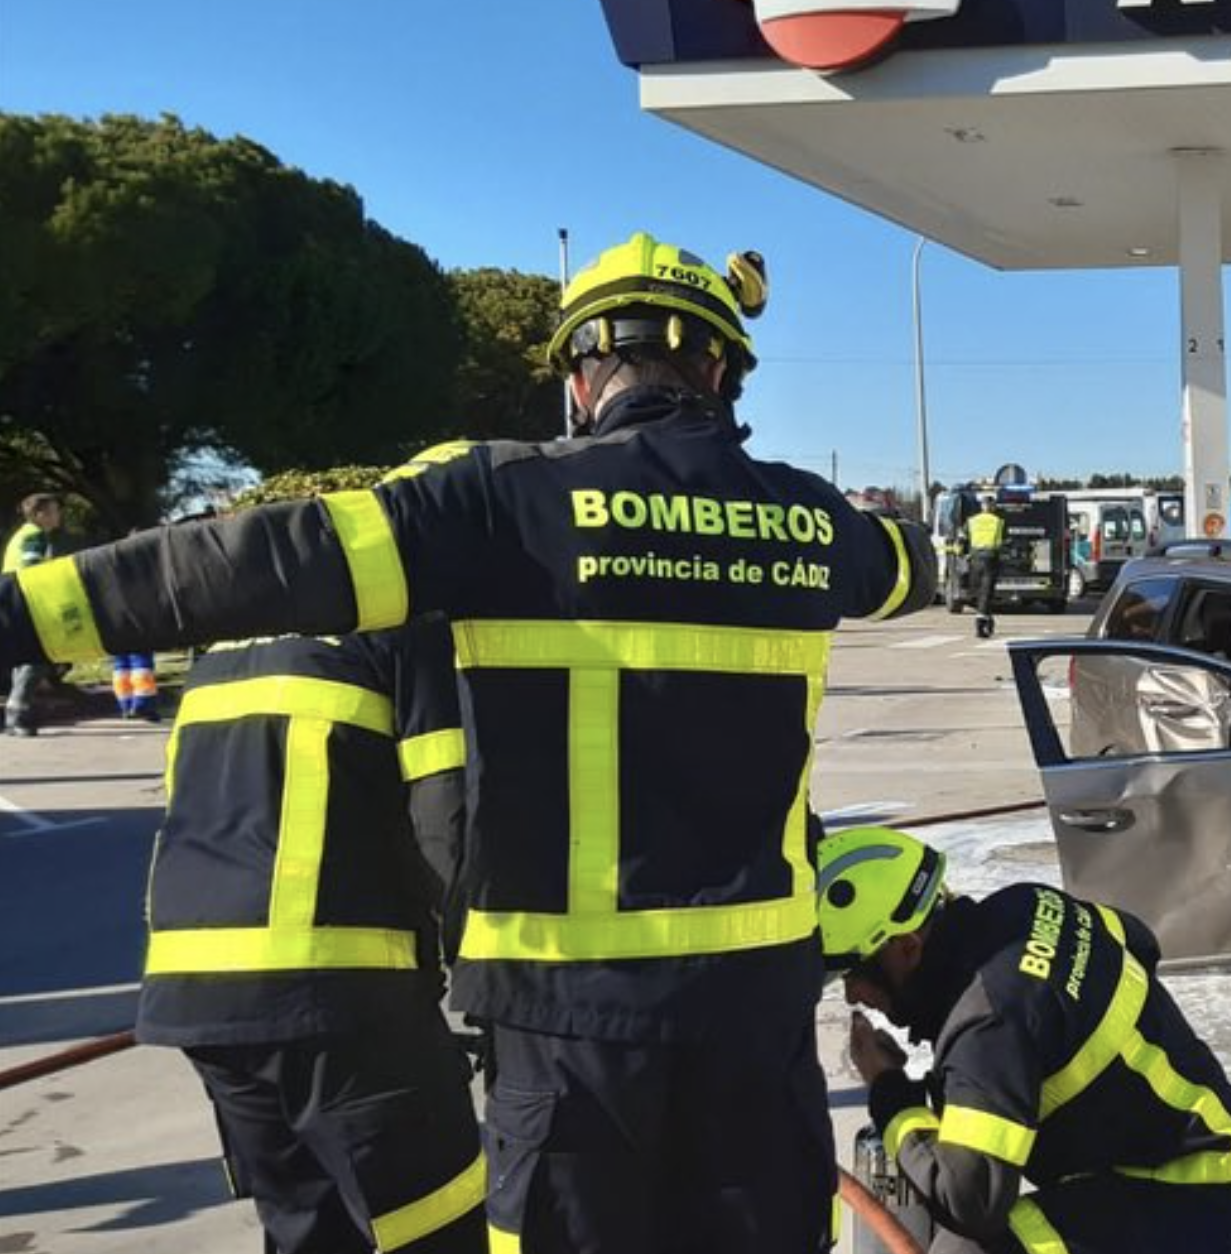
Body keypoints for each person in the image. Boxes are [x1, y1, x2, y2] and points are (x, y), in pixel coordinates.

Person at [0, 232, 938, 1253]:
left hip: (568, 1029)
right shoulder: (807, 519)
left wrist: (21, 613)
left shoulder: (502, 501)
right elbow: (908, 566)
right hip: (756, 1014)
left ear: (581, 377)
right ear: (719, 368)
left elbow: (248, 562)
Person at [143, 619, 482, 1254]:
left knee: (307, 1225)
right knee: (436, 1221)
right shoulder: (401, 633)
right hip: (338, 994)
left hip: (200, 995)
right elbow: (446, 820)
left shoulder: (221, 649)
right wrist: (485, 974)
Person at [819, 827, 1231, 1254]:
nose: (852, 994)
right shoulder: (1026, 906)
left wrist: (889, 1089)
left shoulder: (987, 1020)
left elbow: (972, 1199)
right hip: (1218, 1157)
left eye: (854, 972)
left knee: (967, 1248)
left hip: (1189, 1198)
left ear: (907, 947)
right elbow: (1137, 940)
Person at [4, 492, 64, 736]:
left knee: (24, 656)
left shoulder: (21, 533)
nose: (58, 515)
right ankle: (18, 713)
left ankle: (14, 713)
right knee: (37, 655)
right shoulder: (35, 535)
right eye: (54, 511)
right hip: (27, 600)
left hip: (11, 598)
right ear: (40, 515)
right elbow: (33, 569)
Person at [964, 497, 1005, 638]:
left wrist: (964, 553)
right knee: (987, 593)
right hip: (991, 559)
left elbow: (963, 537)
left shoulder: (971, 521)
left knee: (977, 592)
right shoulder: (998, 522)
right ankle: (982, 623)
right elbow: (1004, 540)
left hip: (975, 559)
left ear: (982, 506)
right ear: (993, 506)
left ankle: (985, 620)